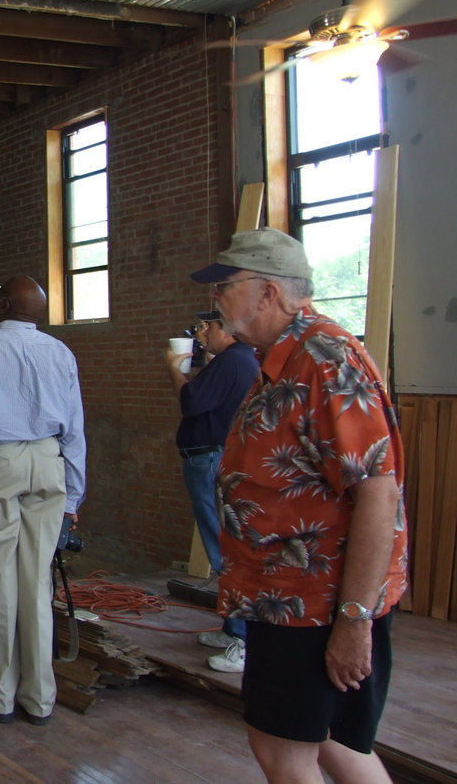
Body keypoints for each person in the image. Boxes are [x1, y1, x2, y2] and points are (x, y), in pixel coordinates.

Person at [190, 228, 408, 783]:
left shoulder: (323, 361)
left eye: (227, 286)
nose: (216, 299)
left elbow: (378, 494)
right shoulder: (281, 358)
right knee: (330, 741)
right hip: (287, 599)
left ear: (268, 294)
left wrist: (354, 621)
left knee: (283, 750)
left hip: (311, 603)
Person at [0, 275, 86, 726]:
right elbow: (75, 429)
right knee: (36, 583)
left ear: (4, 303)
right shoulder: (60, 352)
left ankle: (0, 696)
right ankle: (39, 698)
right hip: (49, 462)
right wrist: (73, 493)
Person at [165, 308, 258, 673]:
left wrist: (175, 366)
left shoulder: (232, 362)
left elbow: (190, 403)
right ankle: (230, 626)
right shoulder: (234, 361)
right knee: (219, 542)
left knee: (223, 547)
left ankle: (241, 637)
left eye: (207, 327)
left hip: (210, 460)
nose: (201, 334)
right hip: (207, 458)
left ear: (228, 329)